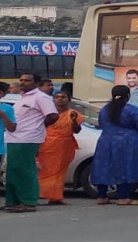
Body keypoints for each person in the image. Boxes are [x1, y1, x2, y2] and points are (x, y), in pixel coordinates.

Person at [1, 72, 59, 213]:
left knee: (24, 170)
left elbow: (52, 116)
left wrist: (37, 128)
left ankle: (28, 201)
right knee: (13, 170)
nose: (22, 82)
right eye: (21, 80)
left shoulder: (41, 97)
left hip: (28, 139)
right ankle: (13, 201)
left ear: (37, 83)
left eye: (27, 80)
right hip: (14, 138)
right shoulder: (21, 98)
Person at [92, 84, 138, 206]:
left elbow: (101, 124)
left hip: (105, 141)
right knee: (125, 167)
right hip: (127, 142)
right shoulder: (131, 109)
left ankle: (102, 196)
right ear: (128, 96)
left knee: (103, 167)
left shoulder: (104, 110)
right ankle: (123, 197)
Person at [37, 90, 82, 204]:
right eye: (57, 97)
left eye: (63, 97)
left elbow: (77, 131)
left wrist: (74, 121)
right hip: (46, 145)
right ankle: (39, 195)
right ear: (53, 100)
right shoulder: (48, 113)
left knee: (60, 173)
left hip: (64, 146)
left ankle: (55, 197)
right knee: (45, 171)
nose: (60, 99)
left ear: (69, 99)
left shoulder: (73, 113)